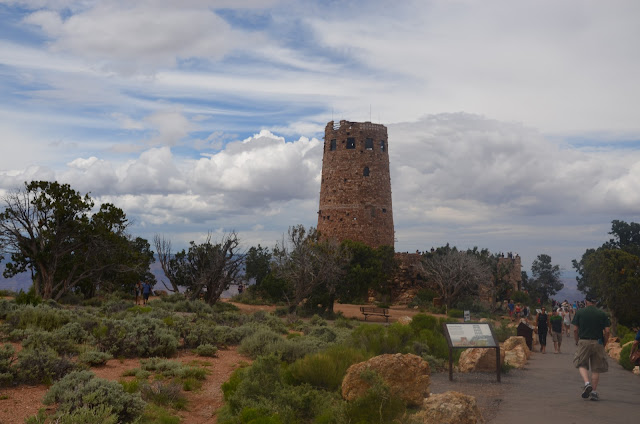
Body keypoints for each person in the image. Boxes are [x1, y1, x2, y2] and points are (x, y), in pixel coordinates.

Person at [572, 296, 610, 401]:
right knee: (596, 368)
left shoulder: (580, 312)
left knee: (581, 363)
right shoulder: (602, 314)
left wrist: (576, 340)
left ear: (586, 302)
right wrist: (604, 343)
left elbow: (575, 329)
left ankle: (587, 383)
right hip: (598, 342)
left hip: (584, 340)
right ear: (596, 302)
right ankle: (593, 392)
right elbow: (607, 331)